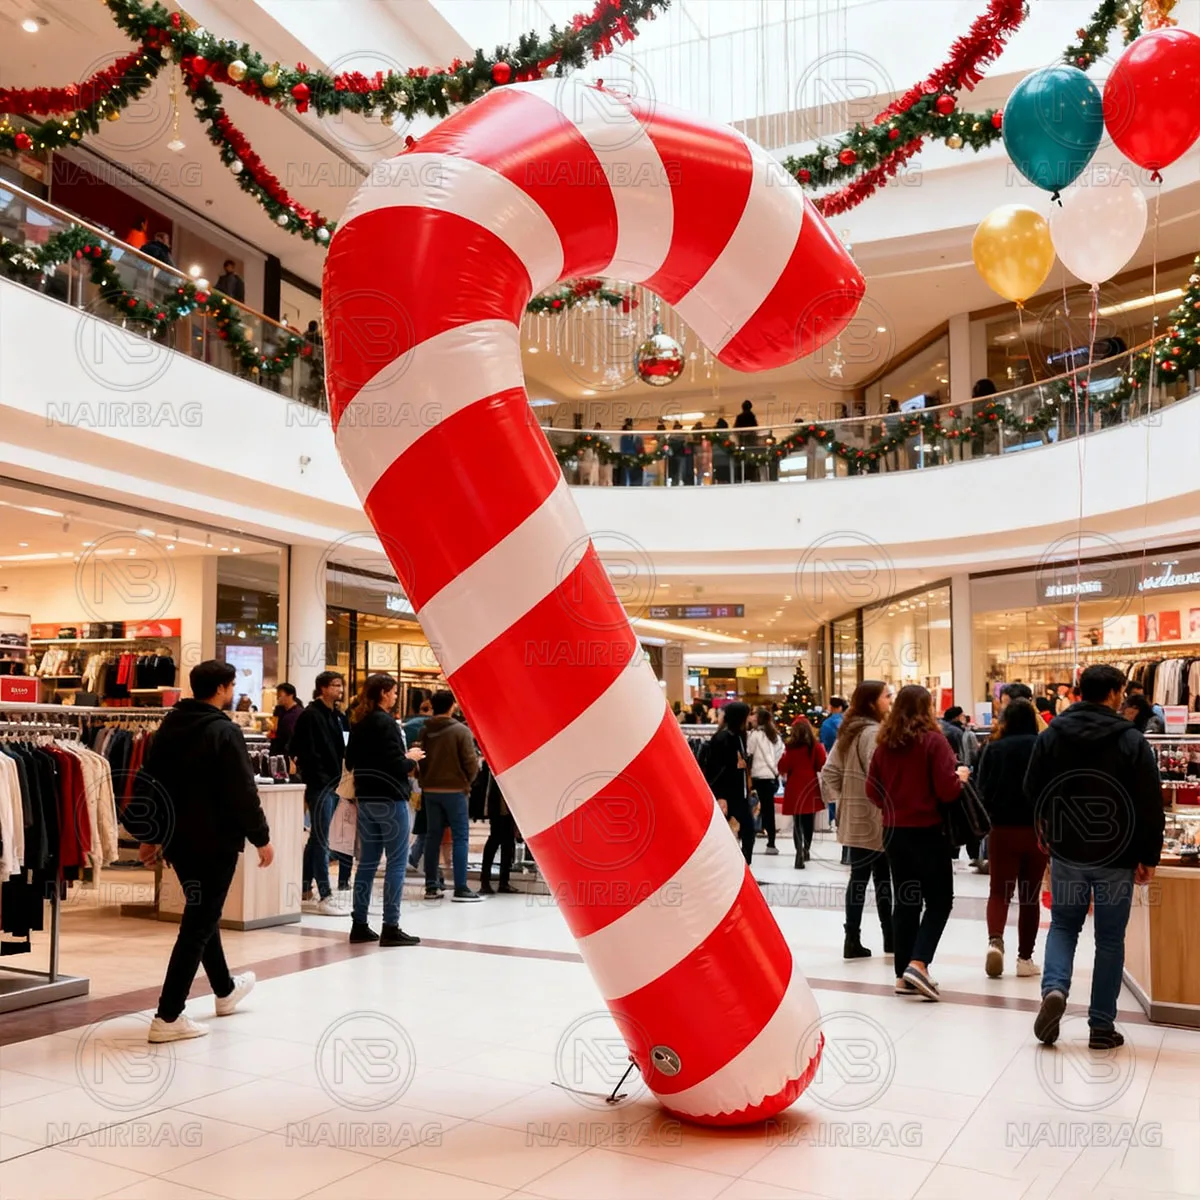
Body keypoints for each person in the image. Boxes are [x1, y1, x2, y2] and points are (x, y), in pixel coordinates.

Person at [1026, 664, 1164, 1049]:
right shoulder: (1132, 740)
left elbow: (1032, 786)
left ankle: (1054, 989)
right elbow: (1150, 803)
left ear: (1079, 692)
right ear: (1116, 692)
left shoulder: (1053, 735)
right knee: (1109, 940)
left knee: (1064, 926)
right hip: (1118, 854)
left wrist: (1047, 826)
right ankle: (1101, 1026)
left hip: (1068, 849)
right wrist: (1148, 854)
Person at [137, 660, 272, 1042]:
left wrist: (151, 835)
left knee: (203, 914)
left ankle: (225, 990)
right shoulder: (224, 731)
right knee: (197, 924)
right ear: (223, 689)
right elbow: (242, 791)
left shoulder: (170, 726)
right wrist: (261, 837)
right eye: (231, 686)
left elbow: (152, 783)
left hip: (179, 841)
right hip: (215, 842)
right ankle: (168, 1015)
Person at [867, 684, 968, 999]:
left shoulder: (884, 746)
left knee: (907, 900)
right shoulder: (934, 742)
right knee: (940, 901)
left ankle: (902, 975)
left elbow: (872, 791)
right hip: (928, 831)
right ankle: (919, 963)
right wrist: (960, 778)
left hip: (895, 833)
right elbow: (947, 790)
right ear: (927, 709)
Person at [346, 673, 424, 945]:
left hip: (365, 798)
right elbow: (395, 766)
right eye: (392, 692)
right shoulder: (387, 724)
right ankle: (391, 926)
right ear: (382, 693)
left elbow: (349, 762)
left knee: (366, 863)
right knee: (396, 862)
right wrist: (410, 758)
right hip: (390, 799)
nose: (394, 697)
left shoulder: (359, 722)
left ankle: (359, 924)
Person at [975, 698, 1047, 979]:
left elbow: (982, 789)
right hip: (1036, 830)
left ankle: (995, 941)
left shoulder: (993, 748)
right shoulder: (1042, 746)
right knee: (1030, 896)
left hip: (1002, 829)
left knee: (998, 892)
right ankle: (1025, 959)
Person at [822, 681, 894, 958]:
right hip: (877, 817)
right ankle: (890, 938)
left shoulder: (847, 733)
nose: (889, 701)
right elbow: (882, 776)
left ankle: (852, 939)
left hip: (854, 818)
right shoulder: (875, 733)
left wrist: (846, 800)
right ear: (872, 702)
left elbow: (829, 773)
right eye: (886, 697)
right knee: (884, 878)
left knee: (859, 879)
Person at [290, 671, 350, 914]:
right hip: (320, 784)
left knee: (318, 837)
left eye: (340, 685)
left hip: (334, 782)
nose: (340, 690)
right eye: (335, 685)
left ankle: (305, 887)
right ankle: (325, 894)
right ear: (323, 688)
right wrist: (321, 777)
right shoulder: (310, 715)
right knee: (323, 839)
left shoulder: (337, 715)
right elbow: (302, 749)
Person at [419, 690, 481, 901]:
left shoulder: (424, 730)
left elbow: (420, 760)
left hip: (430, 790)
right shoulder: (460, 731)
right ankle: (461, 887)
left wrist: (424, 780)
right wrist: (467, 781)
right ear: (452, 706)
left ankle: (431, 885)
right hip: (455, 790)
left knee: (432, 837)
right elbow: (470, 762)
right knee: (460, 837)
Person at [703, 701, 756, 864]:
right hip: (728, 795)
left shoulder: (739, 736)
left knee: (747, 832)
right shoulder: (723, 738)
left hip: (740, 794)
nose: (751, 719)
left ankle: (743, 865)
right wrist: (720, 795)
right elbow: (715, 769)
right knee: (731, 833)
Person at [778, 717, 826, 870]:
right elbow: (821, 764)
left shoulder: (790, 748)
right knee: (809, 822)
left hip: (794, 786)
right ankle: (806, 850)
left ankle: (798, 852)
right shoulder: (815, 747)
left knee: (797, 823)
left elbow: (782, 767)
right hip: (810, 786)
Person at [746, 707, 784, 854]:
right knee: (769, 810)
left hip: (758, 776)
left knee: (750, 806)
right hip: (771, 777)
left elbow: (749, 753)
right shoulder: (775, 736)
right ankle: (771, 842)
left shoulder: (755, 735)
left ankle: (749, 833)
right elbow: (780, 753)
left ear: (758, 718)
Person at [477, 759, 517, 894]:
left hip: (502, 805)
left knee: (506, 842)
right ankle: (489, 881)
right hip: (500, 806)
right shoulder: (493, 759)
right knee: (498, 841)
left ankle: (497, 881)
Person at [269, 682, 303, 757]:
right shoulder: (279, 709)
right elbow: (274, 730)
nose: (278, 698)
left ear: (290, 695)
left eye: (280, 695)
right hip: (276, 750)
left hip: (289, 752)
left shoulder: (299, 713)